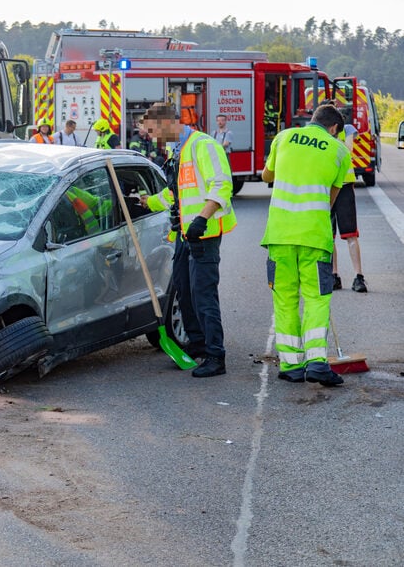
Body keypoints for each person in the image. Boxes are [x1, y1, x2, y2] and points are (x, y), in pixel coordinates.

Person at [138, 102, 236, 378]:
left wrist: (202, 219)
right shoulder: (176, 150)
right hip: (184, 232)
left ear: (168, 124)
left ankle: (216, 355)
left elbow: (222, 185)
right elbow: (176, 193)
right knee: (183, 286)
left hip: (204, 233)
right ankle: (198, 344)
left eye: (154, 132)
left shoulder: (203, 145)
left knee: (203, 293)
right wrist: (150, 202)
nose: (154, 139)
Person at [260, 103, 351, 386]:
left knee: (285, 299)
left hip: (279, 235)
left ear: (313, 120)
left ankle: (291, 365)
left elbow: (267, 176)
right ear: (334, 128)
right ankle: (317, 364)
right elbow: (331, 198)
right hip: (313, 235)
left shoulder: (283, 137)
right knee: (316, 299)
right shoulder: (339, 151)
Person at [331, 106, 367, 293]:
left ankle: (358, 276)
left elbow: (348, 150)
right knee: (328, 236)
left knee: (350, 233)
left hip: (344, 186)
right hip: (326, 186)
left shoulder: (347, 130)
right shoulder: (322, 133)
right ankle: (334, 275)